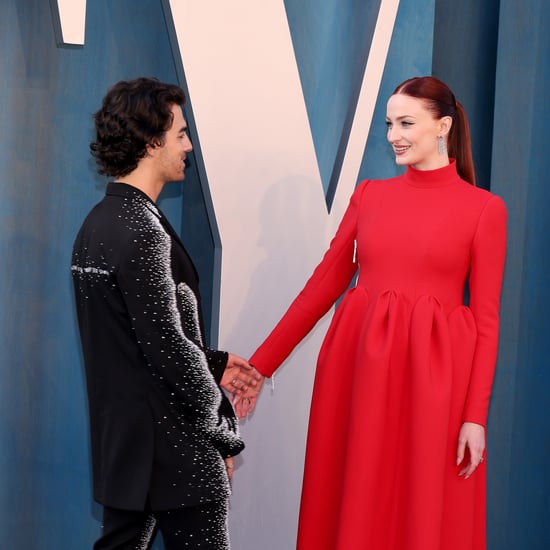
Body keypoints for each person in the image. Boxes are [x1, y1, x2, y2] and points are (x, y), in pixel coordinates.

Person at [239, 76, 507, 550]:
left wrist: (475, 417)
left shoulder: (484, 209)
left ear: (442, 126)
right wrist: (261, 365)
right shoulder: (370, 195)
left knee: (424, 508)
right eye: (389, 124)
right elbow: (324, 285)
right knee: (355, 500)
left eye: (406, 123)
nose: (393, 136)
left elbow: (486, 321)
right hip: (358, 374)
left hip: (436, 387)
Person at [71, 77, 260, 550]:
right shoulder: (141, 230)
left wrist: (216, 363)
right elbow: (168, 347)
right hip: (175, 443)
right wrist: (222, 431)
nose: (189, 145)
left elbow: (136, 335)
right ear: (151, 142)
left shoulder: (98, 223)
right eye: (180, 133)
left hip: (130, 444)